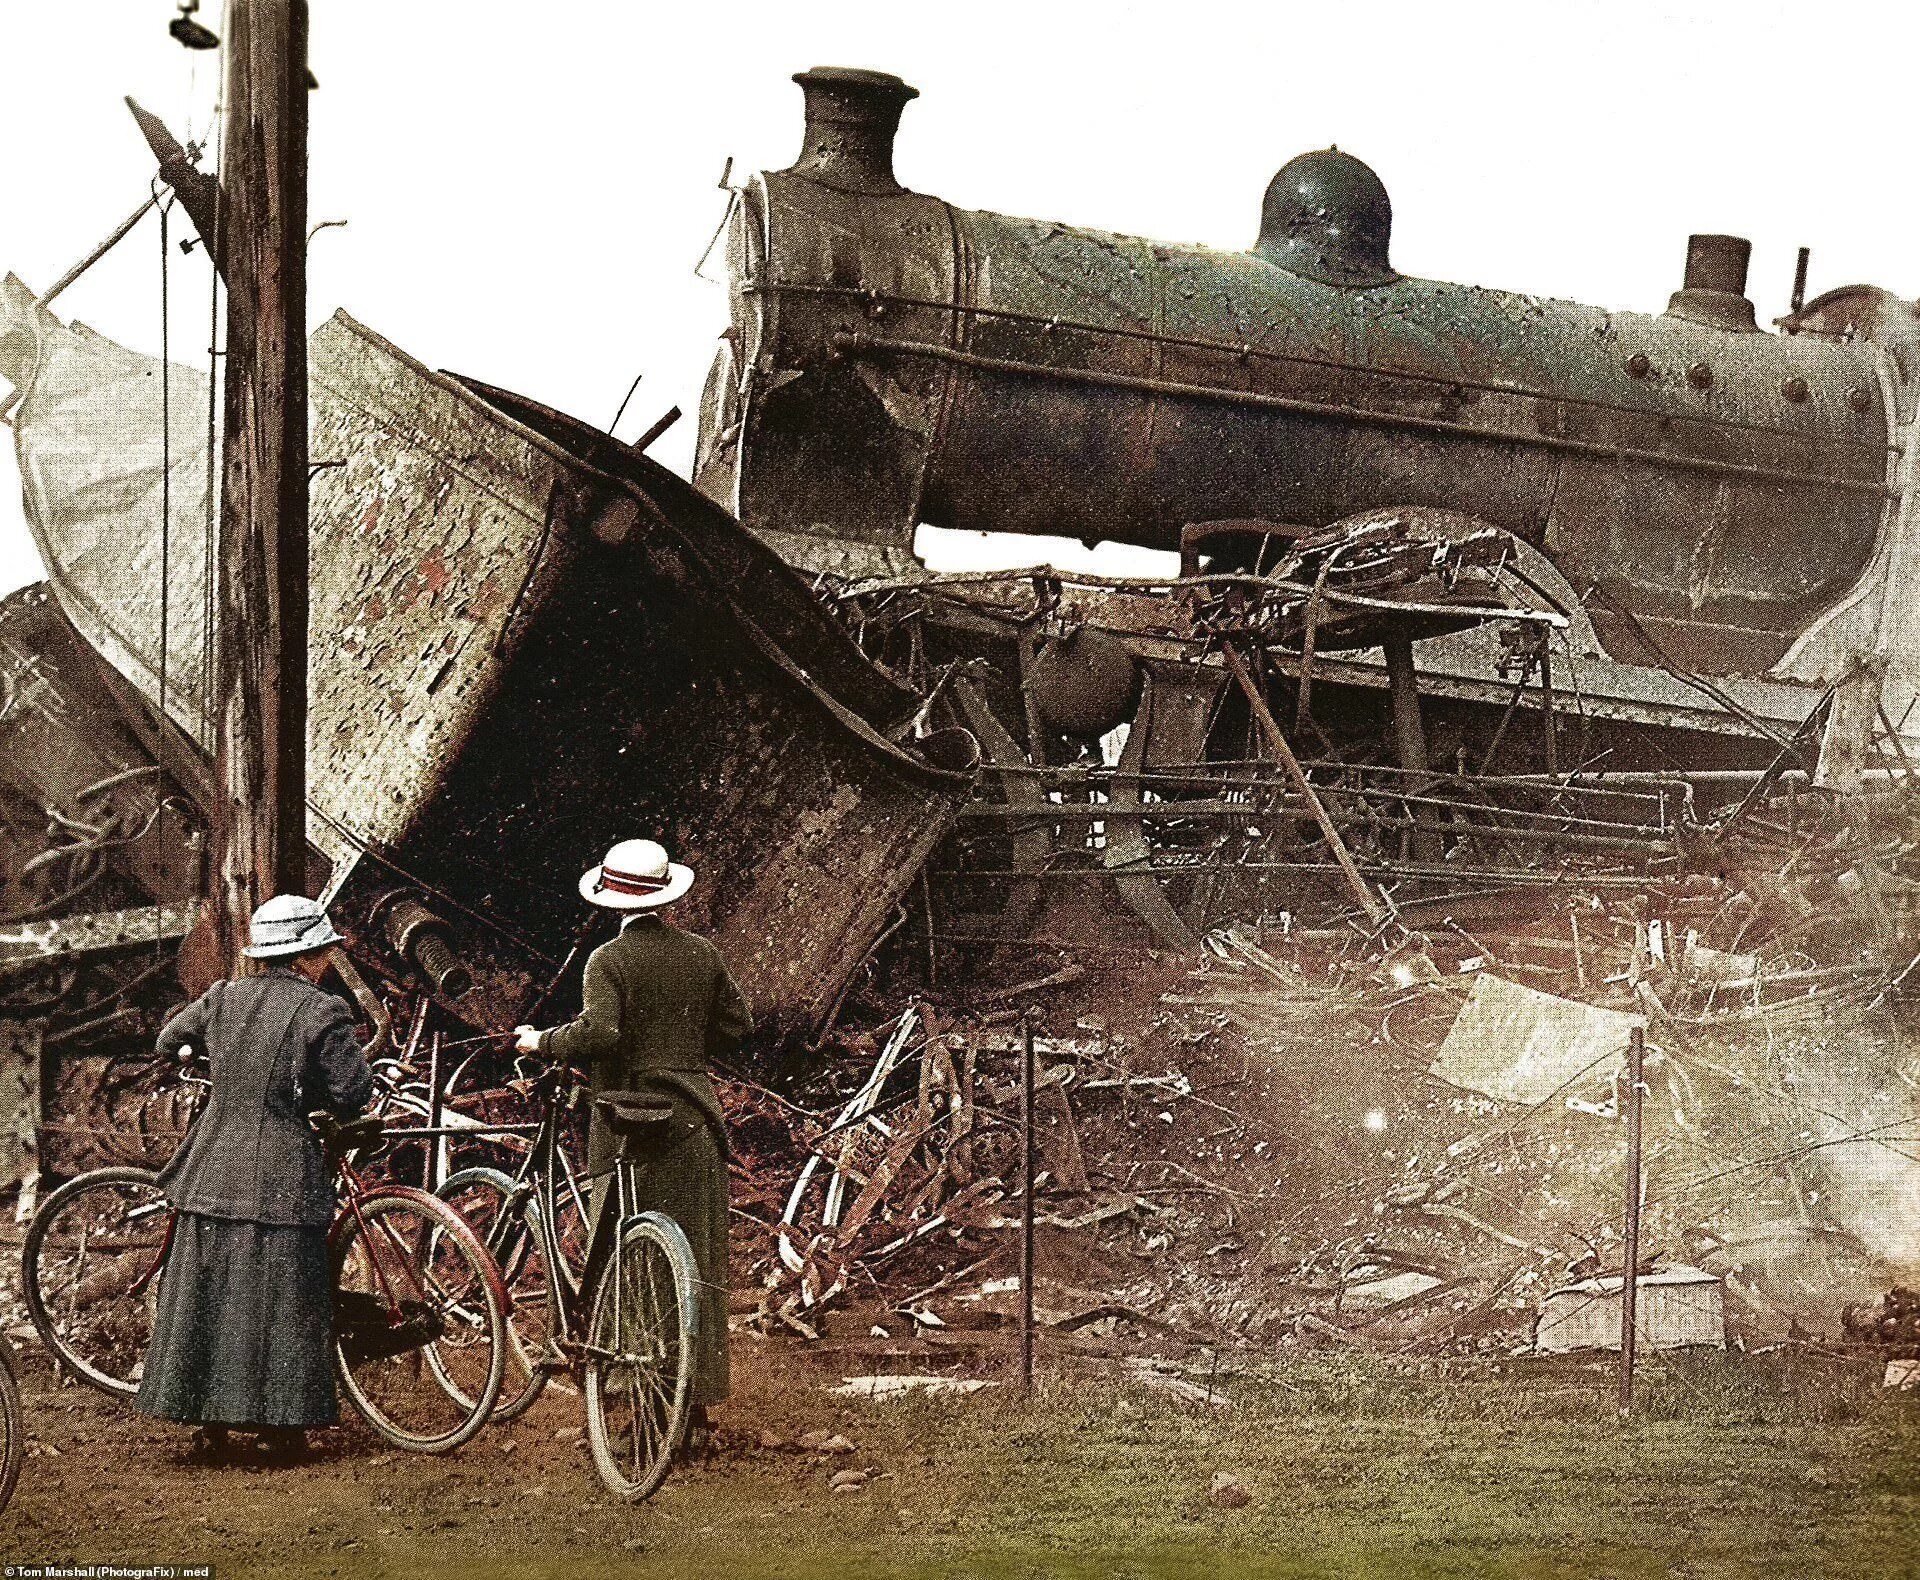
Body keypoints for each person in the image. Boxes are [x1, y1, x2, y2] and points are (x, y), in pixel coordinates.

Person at [515, 838, 751, 1434]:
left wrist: (541, 1041)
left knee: (628, 1263)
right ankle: (690, 1404)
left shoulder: (608, 961)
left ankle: (640, 1402)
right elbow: (737, 1026)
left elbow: (599, 1033)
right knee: (695, 1263)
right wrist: (684, 1050)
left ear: (611, 899)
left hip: (627, 1129)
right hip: (694, 1123)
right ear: (667, 893)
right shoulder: (702, 954)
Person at [137, 894, 375, 1464]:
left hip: (214, 1162)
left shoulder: (222, 996)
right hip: (282, 1170)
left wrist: (202, 1056)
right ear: (312, 955)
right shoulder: (323, 1012)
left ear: (265, 954)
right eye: (324, 951)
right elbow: (352, 1094)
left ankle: (209, 1426)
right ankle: (280, 1429)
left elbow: (169, 1040)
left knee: (207, 1294)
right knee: (282, 1298)